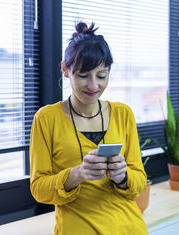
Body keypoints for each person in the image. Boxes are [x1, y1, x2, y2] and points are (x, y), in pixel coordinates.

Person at [29, 22, 148, 235]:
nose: (93, 86)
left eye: (101, 76)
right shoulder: (46, 119)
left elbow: (139, 182)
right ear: (65, 70)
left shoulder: (123, 114)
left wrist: (123, 176)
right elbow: (38, 188)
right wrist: (78, 173)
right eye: (83, 76)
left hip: (130, 228)